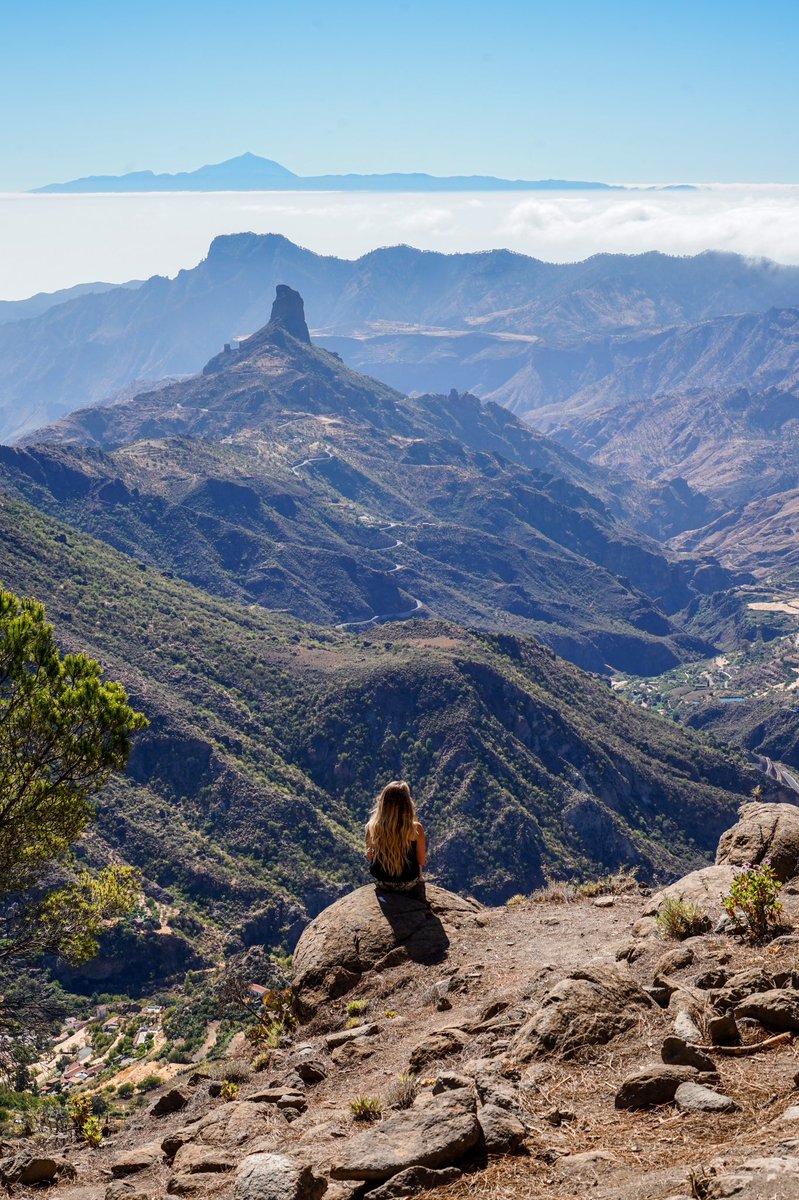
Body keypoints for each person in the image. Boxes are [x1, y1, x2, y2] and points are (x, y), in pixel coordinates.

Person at [365, 780, 426, 893]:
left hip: (382, 882)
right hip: (409, 883)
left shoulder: (372, 827)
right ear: (407, 804)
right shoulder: (415, 829)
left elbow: (371, 857)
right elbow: (421, 861)